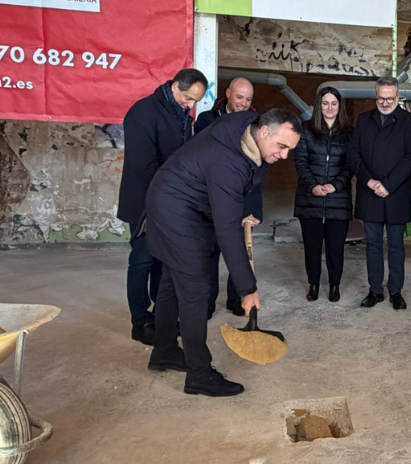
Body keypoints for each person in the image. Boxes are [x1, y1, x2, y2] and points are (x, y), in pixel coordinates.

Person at [145, 109, 302, 397]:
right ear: (265, 131)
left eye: (290, 150)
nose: (284, 156)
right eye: (282, 147)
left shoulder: (246, 128)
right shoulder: (228, 161)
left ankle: (165, 351)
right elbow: (227, 231)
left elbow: (238, 186)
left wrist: (243, 210)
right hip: (176, 210)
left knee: (170, 281)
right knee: (195, 290)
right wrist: (247, 289)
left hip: (175, 198)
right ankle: (199, 375)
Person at [117, 68, 208, 346]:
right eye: (188, 98)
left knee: (163, 259)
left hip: (170, 200)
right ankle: (140, 320)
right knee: (142, 260)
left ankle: (162, 315)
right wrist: (177, 188)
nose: (191, 106)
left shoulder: (180, 113)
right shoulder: (142, 113)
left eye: (196, 102)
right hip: (145, 201)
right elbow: (143, 166)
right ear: (175, 85)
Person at [347, 77, 411, 310]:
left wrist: (387, 184)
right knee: (373, 244)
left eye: (390, 98)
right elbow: (353, 155)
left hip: (395, 192)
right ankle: (375, 290)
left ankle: (396, 291)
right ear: (375, 96)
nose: (386, 102)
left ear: (398, 97)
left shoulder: (410, 122)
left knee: (397, 244)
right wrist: (370, 181)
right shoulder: (363, 120)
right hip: (369, 192)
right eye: (381, 98)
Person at [193, 77, 261, 318]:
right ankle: (208, 302)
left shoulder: (256, 123)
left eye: (248, 99)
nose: (244, 103)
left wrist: (253, 209)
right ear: (228, 93)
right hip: (210, 199)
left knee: (238, 252)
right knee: (209, 256)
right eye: (239, 97)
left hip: (243, 201)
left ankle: (236, 300)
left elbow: (258, 170)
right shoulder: (206, 121)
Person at [293, 87, 353, 303]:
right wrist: (314, 186)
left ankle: (334, 285)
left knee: (336, 247)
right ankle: (314, 284)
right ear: (319, 106)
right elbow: (300, 161)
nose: (329, 108)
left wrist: (335, 185)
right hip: (310, 198)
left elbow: (350, 165)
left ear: (340, 106)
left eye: (334, 103)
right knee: (312, 246)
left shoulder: (349, 134)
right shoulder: (306, 131)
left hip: (338, 198)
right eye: (325, 103)